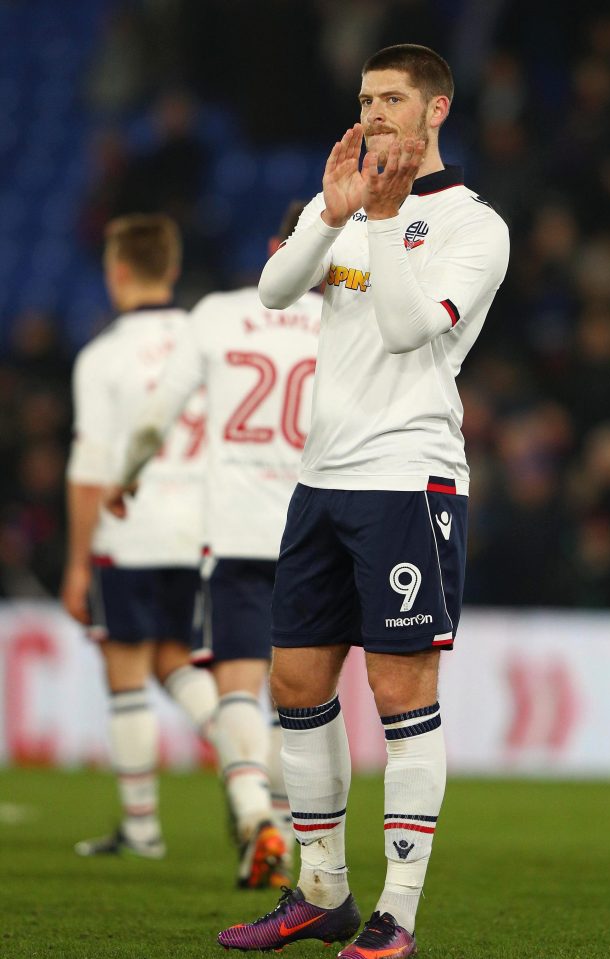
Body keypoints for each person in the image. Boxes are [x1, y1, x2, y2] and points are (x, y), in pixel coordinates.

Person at [216, 44, 510, 958]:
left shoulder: (474, 226)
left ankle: (398, 914)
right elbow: (271, 291)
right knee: (297, 682)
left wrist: (379, 221)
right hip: (323, 478)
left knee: (398, 689)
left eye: (393, 98)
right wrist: (331, 215)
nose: (376, 112)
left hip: (407, 480)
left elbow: (406, 326)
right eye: (366, 98)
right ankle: (322, 890)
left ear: (437, 112)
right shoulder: (342, 201)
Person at [104, 202, 322, 887]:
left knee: (236, 688)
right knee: (303, 701)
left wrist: (127, 477)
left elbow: (154, 418)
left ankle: (254, 813)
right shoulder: (349, 324)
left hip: (239, 532)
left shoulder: (217, 314)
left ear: (273, 246)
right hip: (321, 531)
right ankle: (284, 832)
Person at [61, 214, 220, 859]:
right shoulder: (205, 337)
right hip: (205, 529)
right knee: (178, 658)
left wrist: (76, 565)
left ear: (117, 271)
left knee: (127, 670)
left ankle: (143, 827)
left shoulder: (102, 356)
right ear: (174, 268)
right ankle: (255, 763)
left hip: (130, 531)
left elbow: (88, 470)